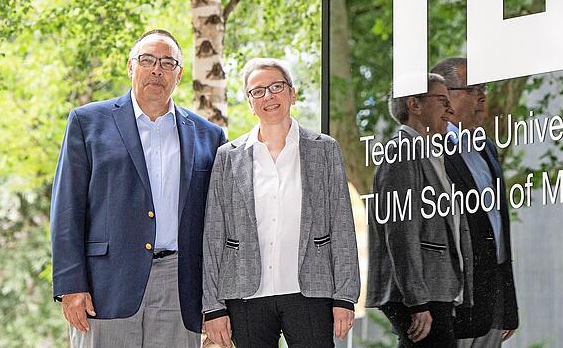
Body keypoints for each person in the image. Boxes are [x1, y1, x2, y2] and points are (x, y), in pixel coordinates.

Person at [50, 29, 227, 347]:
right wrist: (70, 284)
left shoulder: (209, 136)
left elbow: (217, 225)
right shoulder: (87, 123)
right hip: (105, 286)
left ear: (179, 74)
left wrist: (215, 300)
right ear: (130, 67)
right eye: (147, 60)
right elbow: (66, 209)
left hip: (180, 287)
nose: (157, 69)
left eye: (167, 62)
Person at [202, 58, 360, 348]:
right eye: (257, 91)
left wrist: (345, 297)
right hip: (245, 293)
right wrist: (213, 306)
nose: (268, 96)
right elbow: (214, 234)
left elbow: (341, 226)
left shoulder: (324, 149)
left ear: (292, 93)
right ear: (250, 103)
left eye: (276, 87)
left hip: (310, 289)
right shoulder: (228, 157)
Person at [366, 73, 474, 347]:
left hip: (436, 290)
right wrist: (417, 301)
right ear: (414, 105)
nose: (451, 110)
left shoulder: (431, 153)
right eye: (442, 101)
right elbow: (400, 231)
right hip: (422, 294)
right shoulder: (402, 152)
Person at [431, 58, 520, 347]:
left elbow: (498, 233)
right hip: (450, 308)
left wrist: (508, 307)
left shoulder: (486, 148)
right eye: (473, 89)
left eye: (484, 88)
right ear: (444, 97)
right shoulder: (425, 150)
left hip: (491, 303)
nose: (482, 96)